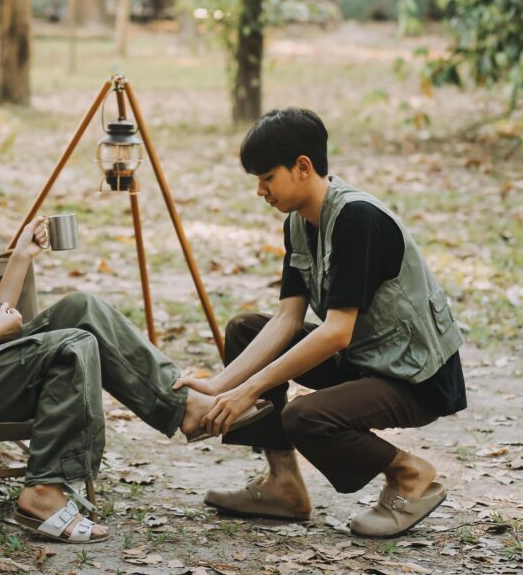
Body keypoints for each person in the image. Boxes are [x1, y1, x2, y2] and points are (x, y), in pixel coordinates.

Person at [0, 126, 271, 544]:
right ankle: (42, 492)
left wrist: (23, 256)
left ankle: (184, 406)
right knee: (71, 347)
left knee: (83, 307)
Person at [174, 108, 466, 538]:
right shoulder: (299, 222)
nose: (260, 191)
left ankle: (409, 473)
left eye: (267, 177)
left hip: (416, 376)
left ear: (303, 167)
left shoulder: (358, 220)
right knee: (244, 330)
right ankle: (284, 486)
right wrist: (221, 385)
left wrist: (248, 390)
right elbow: (287, 318)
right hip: (366, 358)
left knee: (304, 416)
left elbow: (335, 332)